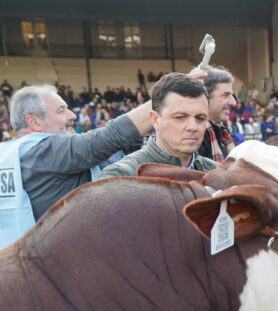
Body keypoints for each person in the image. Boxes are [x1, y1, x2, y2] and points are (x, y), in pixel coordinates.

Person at [0, 84, 153, 248]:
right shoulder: (47, 150)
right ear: (35, 122)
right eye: (61, 111)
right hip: (58, 263)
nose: (72, 115)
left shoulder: (8, 153)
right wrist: (167, 98)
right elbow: (111, 136)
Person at [100, 73, 218, 178]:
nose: (193, 127)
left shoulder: (218, 174)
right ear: (155, 120)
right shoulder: (121, 176)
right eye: (180, 117)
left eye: (200, 118)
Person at [197, 65, 236, 163]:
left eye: (232, 95)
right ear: (205, 97)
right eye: (225, 95)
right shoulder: (194, 137)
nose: (233, 102)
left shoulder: (222, 133)